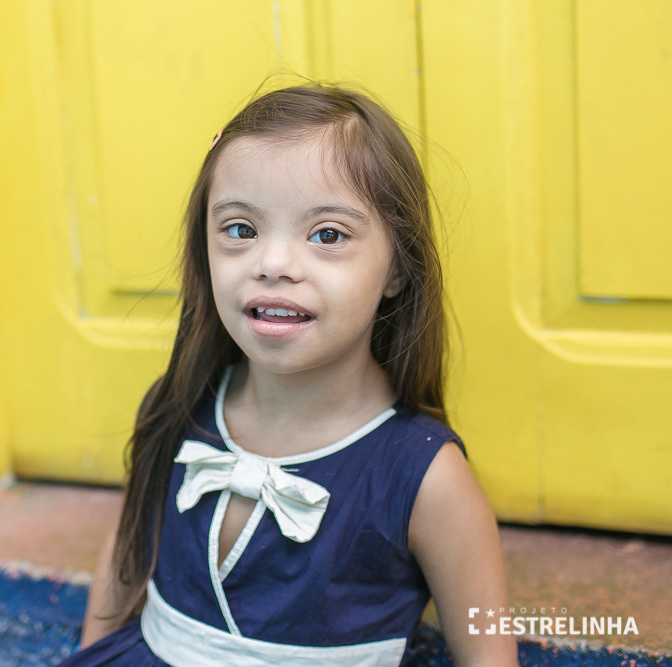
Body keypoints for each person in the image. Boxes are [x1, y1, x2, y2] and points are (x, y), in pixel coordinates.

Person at [60, 84, 517, 666]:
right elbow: (124, 561)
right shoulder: (179, 405)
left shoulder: (428, 478)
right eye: (240, 229)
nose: (273, 263)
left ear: (398, 270)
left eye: (328, 235)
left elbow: (488, 656)